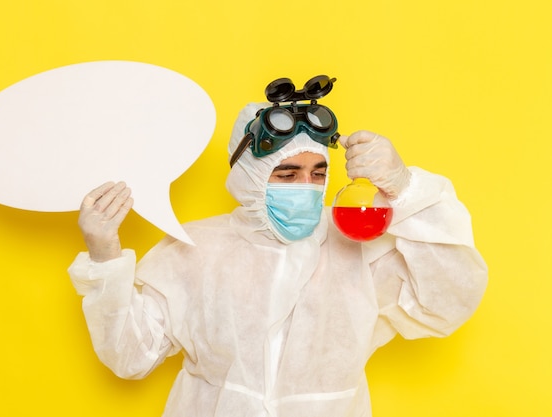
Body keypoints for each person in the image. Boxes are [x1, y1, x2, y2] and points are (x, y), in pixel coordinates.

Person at [68, 82, 488, 416]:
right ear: (250, 176)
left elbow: (447, 301)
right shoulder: (195, 249)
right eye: (286, 174)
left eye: (317, 173)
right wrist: (105, 254)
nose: (306, 188)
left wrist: (406, 190)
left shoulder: (359, 245)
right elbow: (131, 357)